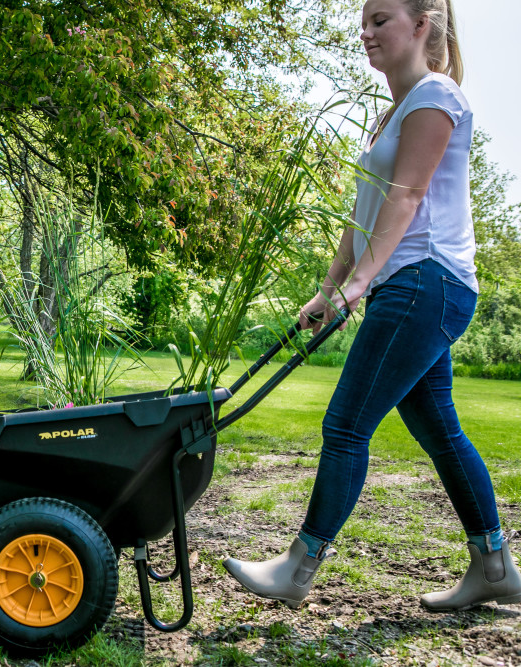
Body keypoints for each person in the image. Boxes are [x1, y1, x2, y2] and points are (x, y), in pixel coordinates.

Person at [222, 0, 521, 612]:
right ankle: (493, 565)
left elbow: (407, 197)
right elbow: (364, 216)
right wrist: (333, 287)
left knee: (347, 423)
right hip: (409, 284)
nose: (366, 33)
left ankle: (299, 568)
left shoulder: (437, 95)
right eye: (363, 21)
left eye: (380, 19)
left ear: (422, 24)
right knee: (439, 429)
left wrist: (361, 284)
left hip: (425, 281)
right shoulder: (394, 114)